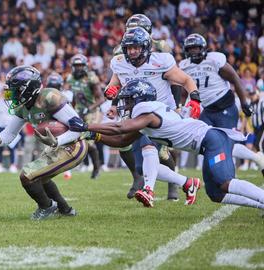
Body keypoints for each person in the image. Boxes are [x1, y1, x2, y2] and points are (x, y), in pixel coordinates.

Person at [70, 80, 264, 212]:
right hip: (207, 144)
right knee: (215, 194)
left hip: (212, 140)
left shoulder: (146, 112)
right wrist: (94, 135)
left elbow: (121, 128)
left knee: (224, 181)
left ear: (139, 100)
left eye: (128, 100)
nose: (124, 105)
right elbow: (122, 141)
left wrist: (86, 125)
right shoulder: (145, 119)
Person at [103, 27, 201, 207]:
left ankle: (149, 190)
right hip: (136, 114)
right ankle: (187, 183)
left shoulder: (160, 61)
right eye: (129, 47)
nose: (132, 51)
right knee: (142, 167)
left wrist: (194, 98)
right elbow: (114, 85)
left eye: (136, 47)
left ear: (146, 47)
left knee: (148, 145)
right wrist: (111, 93)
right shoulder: (119, 63)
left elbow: (185, 80)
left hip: (160, 113)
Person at [0, 66, 85, 220]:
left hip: (72, 145)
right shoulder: (23, 105)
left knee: (27, 176)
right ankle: (65, 210)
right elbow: (10, 133)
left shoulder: (49, 97)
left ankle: (46, 207)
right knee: (41, 177)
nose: (10, 95)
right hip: (56, 146)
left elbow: (78, 127)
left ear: (27, 89)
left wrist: (57, 140)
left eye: (14, 90)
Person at [113, 14, 180, 200]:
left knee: (159, 148)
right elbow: (119, 77)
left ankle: (173, 183)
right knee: (123, 142)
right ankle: (137, 177)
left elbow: (174, 78)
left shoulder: (161, 47)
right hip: (132, 101)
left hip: (159, 102)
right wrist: (113, 102)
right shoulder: (121, 49)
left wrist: (176, 104)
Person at [179, 33, 264, 174]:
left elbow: (235, 79)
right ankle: (216, 173)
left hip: (225, 107)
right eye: (190, 48)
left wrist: (244, 103)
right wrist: (183, 107)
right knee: (204, 142)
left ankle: (253, 159)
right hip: (206, 109)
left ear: (203, 48)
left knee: (226, 145)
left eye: (196, 48)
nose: (193, 51)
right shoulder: (184, 66)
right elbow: (183, 90)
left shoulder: (215, 59)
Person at [66, 54, 103, 179]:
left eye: (81, 65)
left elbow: (101, 98)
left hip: (92, 111)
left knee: (89, 142)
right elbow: (74, 96)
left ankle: (97, 167)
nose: (78, 68)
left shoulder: (91, 77)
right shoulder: (70, 78)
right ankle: (76, 166)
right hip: (78, 111)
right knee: (74, 139)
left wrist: (89, 108)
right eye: (76, 66)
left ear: (85, 66)